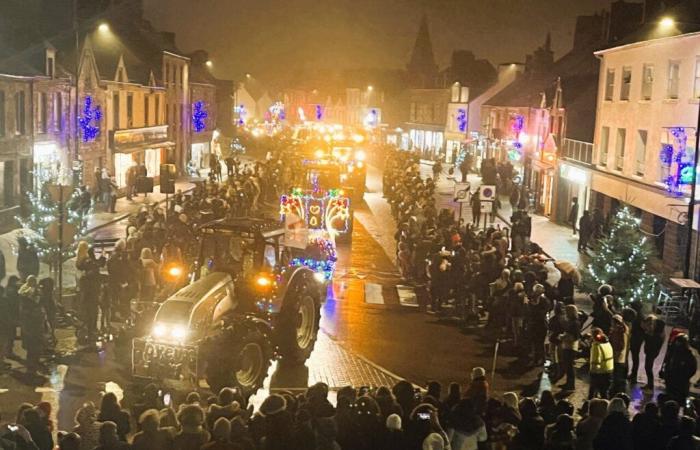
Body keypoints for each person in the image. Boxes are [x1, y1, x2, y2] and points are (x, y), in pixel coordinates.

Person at [18, 276, 46, 375]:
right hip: (30, 323)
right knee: (32, 345)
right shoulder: (26, 293)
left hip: (35, 322)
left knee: (35, 344)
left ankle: (33, 363)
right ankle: (31, 366)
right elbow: (33, 301)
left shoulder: (33, 292)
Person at [662, 333, 697, 403]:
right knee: (669, 399)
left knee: (679, 400)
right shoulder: (673, 352)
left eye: (679, 343)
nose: (677, 344)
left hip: (681, 382)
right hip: (670, 379)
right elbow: (668, 363)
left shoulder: (688, 355)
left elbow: (692, 369)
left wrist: (684, 377)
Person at [559, 305, 580, 391]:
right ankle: (568, 383)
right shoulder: (573, 322)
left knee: (569, 366)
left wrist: (562, 337)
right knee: (568, 366)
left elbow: (573, 336)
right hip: (568, 346)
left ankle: (571, 385)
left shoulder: (574, 323)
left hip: (570, 347)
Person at [642, 314, 665, 391]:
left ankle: (650, 385)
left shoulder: (656, 336)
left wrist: (647, 334)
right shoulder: (657, 335)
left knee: (648, 367)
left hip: (651, 352)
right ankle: (649, 384)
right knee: (648, 367)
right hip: (651, 352)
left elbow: (650, 342)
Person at [588, 328, 614, 399]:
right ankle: (606, 407)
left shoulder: (596, 346)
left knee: (593, 392)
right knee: (604, 393)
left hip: (599, 373)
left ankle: (589, 407)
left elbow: (595, 362)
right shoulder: (607, 343)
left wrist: (592, 373)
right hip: (609, 371)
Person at [608, 314, 629, 394]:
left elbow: (620, 345)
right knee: (617, 375)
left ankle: (616, 392)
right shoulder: (622, 329)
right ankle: (617, 391)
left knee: (616, 375)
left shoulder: (619, 331)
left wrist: (615, 352)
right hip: (620, 357)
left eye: (612, 322)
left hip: (617, 356)